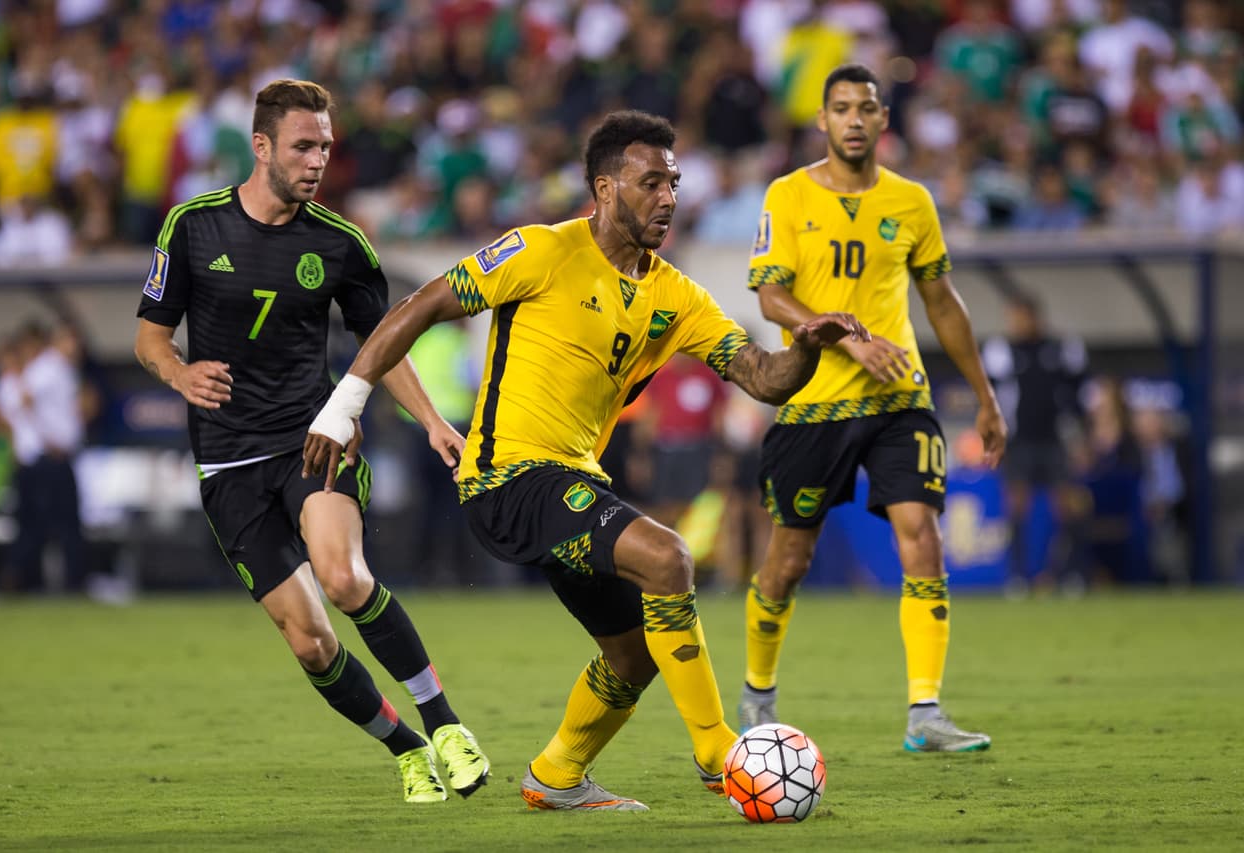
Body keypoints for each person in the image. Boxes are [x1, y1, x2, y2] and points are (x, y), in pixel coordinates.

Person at [303, 110, 867, 811]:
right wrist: (344, 404)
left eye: (674, 182)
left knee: (632, 656)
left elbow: (763, 375)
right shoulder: (541, 250)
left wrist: (807, 346)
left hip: (573, 480)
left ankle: (557, 774)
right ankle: (719, 748)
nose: (668, 197)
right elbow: (417, 308)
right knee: (668, 558)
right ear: (604, 188)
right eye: (650, 182)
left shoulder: (675, 294)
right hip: (507, 477)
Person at [132, 79, 489, 804]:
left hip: (311, 439)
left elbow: (382, 343)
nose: (319, 158)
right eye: (304, 144)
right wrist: (178, 371)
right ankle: (406, 746)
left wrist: (432, 421)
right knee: (310, 641)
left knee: (345, 576)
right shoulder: (192, 227)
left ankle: (446, 722)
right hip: (227, 461)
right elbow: (149, 337)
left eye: (326, 145)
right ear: (260, 147)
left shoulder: (340, 242)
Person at [737, 64, 1008, 753]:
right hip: (812, 407)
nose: (854, 119)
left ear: (884, 120)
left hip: (900, 397)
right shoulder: (789, 194)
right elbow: (772, 298)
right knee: (787, 563)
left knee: (922, 534)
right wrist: (846, 336)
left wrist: (983, 394)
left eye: (866, 107)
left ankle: (926, 712)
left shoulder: (913, 201)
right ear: (822, 122)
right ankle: (757, 693)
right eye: (841, 108)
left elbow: (942, 303)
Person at [981, 293, 1090, 596]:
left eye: (1020, 317)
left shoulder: (1062, 349)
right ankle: (1017, 577)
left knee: (1067, 506)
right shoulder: (1001, 350)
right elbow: (989, 396)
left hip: (1055, 439)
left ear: (1035, 317)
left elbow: (1078, 395)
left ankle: (1072, 574)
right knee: (1017, 507)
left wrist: (1082, 436)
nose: (1015, 324)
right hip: (1019, 441)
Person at [0, 321, 88, 594]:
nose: (76, 347)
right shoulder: (49, 367)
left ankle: (26, 578)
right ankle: (68, 582)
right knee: (61, 523)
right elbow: (22, 401)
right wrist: (47, 437)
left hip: (50, 455)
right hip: (50, 457)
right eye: (71, 340)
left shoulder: (58, 368)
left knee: (45, 523)